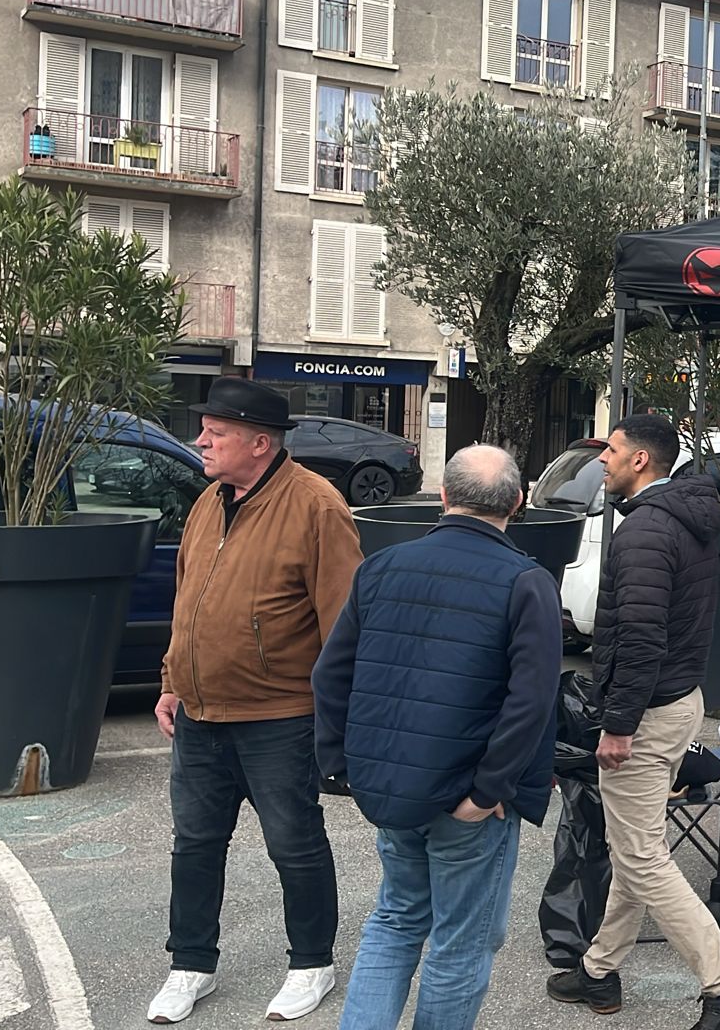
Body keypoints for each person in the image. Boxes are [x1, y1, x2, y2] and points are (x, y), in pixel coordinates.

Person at [313, 445, 563, 1030]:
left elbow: (331, 673)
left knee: (396, 918)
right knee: (462, 941)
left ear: (443, 497)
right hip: (470, 797)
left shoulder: (381, 566)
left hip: (394, 787)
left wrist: (344, 766)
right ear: (519, 503)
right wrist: (490, 789)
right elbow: (531, 701)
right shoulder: (528, 582)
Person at [147, 377, 361, 1024]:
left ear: (260, 443)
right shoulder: (209, 499)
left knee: (294, 844)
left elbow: (344, 622)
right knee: (194, 845)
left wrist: (338, 723)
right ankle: (190, 965)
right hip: (200, 716)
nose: (201, 441)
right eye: (204, 430)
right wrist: (170, 680)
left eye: (216, 433)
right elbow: (189, 602)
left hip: (281, 719)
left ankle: (312, 963)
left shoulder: (318, 507)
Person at [546, 414, 720, 1029]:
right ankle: (598, 970)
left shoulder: (645, 529)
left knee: (640, 852)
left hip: (646, 713)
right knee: (633, 840)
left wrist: (618, 724)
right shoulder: (683, 516)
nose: (603, 462)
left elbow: (641, 637)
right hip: (674, 703)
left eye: (612, 452)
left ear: (640, 460)